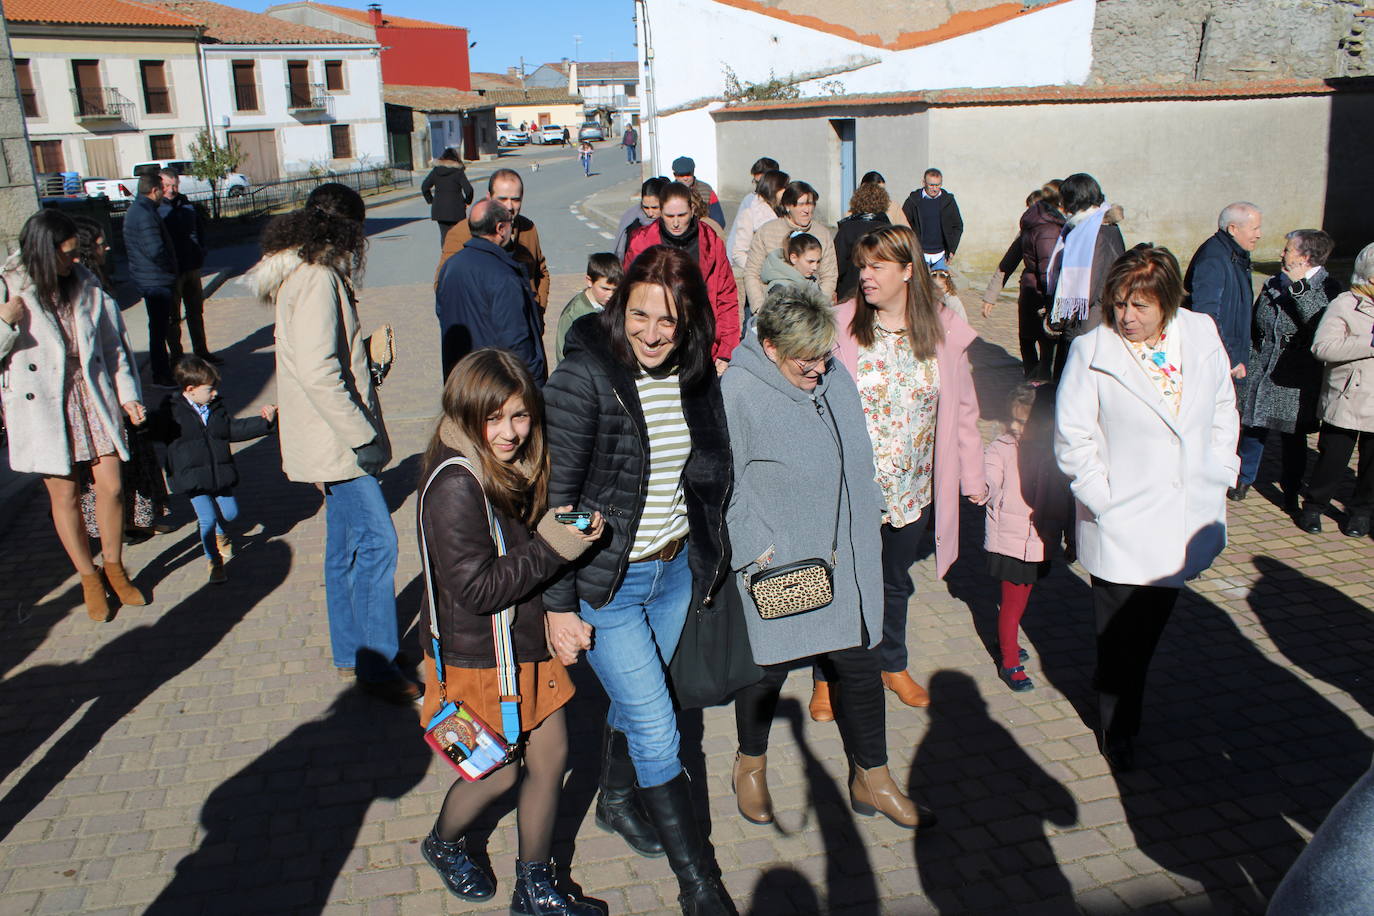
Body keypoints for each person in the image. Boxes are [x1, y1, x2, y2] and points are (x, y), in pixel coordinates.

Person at [543, 246, 734, 914]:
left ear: (689, 327)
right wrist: (558, 605)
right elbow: (556, 498)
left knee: (642, 702)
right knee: (660, 728)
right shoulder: (583, 376)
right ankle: (699, 886)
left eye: (669, 321)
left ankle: (618, 799)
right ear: (620, 305)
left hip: (674, 570)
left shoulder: (691, 371)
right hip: (609, 586)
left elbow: (704, 469)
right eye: (641, 314)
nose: (652, 332)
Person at [724, 283, 935, 831]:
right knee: (766, 672)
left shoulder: (830, 374)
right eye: (806, 360)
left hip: (846, 559)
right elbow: (720, 484)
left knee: (861, 666)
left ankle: (874, 777)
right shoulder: (739, 393)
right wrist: (758, 550)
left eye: (824, 355)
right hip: (783, 564)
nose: (819, 369)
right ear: (769, 346)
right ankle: (750, 764)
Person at [415, 349, 603, 915]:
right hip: (478, 661)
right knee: (498, 774)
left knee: (551, 760)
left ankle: (535, 887)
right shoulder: (454, 483)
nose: (510, 432)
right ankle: (443, 843)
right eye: (494, 418)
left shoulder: (508, 466)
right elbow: (477, 590)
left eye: (520, 416)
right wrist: (555, 546)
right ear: (467, 413)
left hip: (523, 646)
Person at [1055, 245, 1239, 771]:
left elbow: (1223, 405)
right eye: (1119, 304)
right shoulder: (1093, 350)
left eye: (1141, 306)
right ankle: (1119, 729)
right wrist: (1102, 499)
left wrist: (1223, 470)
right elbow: (1073, 436)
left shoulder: (1200, 333)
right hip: (1121, 520)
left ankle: (1117, 688)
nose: (1126, 318)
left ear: (1169, 303)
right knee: (1118, 639)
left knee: (1149, 628)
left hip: (1181, 517)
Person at [249, 182, 418, 704]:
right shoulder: (319, 278)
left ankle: (351, 651)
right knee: (378, 544)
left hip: (324, 436)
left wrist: (364, 360)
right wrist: (361, 435)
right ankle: (378, 664)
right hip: (337, 440)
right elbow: (322, 371)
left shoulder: (304, 275)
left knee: (344, 547)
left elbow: (317, 360)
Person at [827, 225, 987, 718]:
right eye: (862, 265)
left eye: (877, 266)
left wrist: (974, 477)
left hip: (911, 489)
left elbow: (963, 410)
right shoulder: (840, 325)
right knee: (840, 580)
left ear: (907, 271)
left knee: (894, 581)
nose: (865, 275)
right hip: (847, 488)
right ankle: (826, 675)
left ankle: (891, 663)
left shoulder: (941, 331)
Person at [0, 209, 147, 621]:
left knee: (112, 485)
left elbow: (114, 346)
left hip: (91, 394)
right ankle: (88, 577)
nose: (73, 260)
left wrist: (129, 395)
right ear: (45, 253)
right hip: (44, 405)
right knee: (63, 496)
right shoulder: (8, 287)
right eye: (65, 253)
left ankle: (115, 567)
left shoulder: (85, 282)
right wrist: (4, 324)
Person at [71, 216, 171, 542]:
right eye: (101, 243)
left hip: (122, 388)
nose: (107, 247)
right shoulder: (84, 291)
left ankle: (136, 519)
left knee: (134, 460)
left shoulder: (98, 283)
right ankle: (124, 524)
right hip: (106, 392)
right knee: (117, 470)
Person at [1233, 229, 1339, 510]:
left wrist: (1297, 288)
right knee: (1253, 427)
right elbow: (1257, 324)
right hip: (1262, 366)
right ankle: (1244, 478)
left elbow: (1318, 324)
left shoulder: (1329, 288)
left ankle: (1290, 489)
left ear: (1305, 257)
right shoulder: (1272, 283)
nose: (1282, 253)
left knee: (1292, 438)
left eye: (1288, 249)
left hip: (1295, 375)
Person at [148, 356, 276, 584]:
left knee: (230, 513)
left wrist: (265, 422)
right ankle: (214, 562)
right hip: (192, 477)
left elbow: (232, 429)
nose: (215, 393)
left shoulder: (215, 407)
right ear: (191, 390)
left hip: (219, 474)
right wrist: (139, 424)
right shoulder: (171, 411)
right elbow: (153, 429)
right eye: (210, 389)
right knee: (206, 518)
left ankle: (221, 533)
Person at [984, 381, 1070, 692]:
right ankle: (1009, 660)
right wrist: (983, 489)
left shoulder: (1053, 452)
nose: (1019, 428)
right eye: (1015, 420)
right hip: (1009, 543)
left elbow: (1064, 497)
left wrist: (1070, 536)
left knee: (1019, 602)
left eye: (1026, 421)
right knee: (1013, 604)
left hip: (1039, 543)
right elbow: (990, 477)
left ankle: (1005, 638)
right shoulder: (1002, 448)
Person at [623, 180, 740, 371]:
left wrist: (726, 350)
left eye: (681, 215)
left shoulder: (711, 242)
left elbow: (726, 296)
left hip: (702, 342)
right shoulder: (641, 242)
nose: (676, 223)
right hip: (656, 341)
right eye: (669, 216)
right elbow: (628, 296)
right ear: (660, 212)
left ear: (693, 209)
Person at [1303, 242, 1374, 537]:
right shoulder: (1346, 303)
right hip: (1347, 397)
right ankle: (1314, 506)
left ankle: (1361, 514)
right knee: (1332, 460)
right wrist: (1369, 343)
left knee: (1371, 467)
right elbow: (1322, 347)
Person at [435, 199, 546, 384]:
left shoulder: (450, 267)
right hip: (496, 385)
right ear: (501, 228)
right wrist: (534, 384)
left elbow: (442, 313)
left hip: (461, 380)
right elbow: (516, 341)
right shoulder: (504, 274)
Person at [1044, 173, 1126, 380]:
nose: (1062, 206)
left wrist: (1062, 319)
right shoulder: (1089, 226)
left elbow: (1091, 280)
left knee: (1077, 377)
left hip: (1089, 317)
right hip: (1088, 315)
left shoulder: (1098, 230)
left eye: (1065, 200)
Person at [981, 181, 1066, 377]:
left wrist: (991, 295)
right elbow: (1045, 270)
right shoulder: (1050, 230)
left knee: (1028, 342)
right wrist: (1053, 301)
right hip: (1042, 295)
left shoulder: (1031, 227)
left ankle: (1031, 384)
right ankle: (1039, 391)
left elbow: (1007, 263)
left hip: (1029, 291)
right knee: (1046, 348)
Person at [437, 169, 550, 313]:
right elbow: (444, 285)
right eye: (502, 199)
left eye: (515, 200)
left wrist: (538, 309)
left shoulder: (528, 228)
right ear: (489, 197)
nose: (509, 207)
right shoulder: (461, 233)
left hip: (526, 326)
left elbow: (541, 272)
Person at [1185, 201, 1263, 382]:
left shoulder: (1236, 255)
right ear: (1233, 229)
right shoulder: (1214, 259)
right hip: (1221, 362)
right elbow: (1206, 315)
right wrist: (1232, 358)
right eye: (1254, 229)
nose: (1259, 235)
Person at [745, 180, 838, 314]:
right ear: (788, 205)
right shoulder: (767, 231)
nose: (807, 210)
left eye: (810, 204)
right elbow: (752, 272)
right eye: (801, 204)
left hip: (810, 311)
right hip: (771, 309)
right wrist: (760, 308)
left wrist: (818, 308)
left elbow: (829, 275)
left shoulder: (822, 234)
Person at [124, 172, 178, 386]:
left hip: (150, 278)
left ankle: (162, 370)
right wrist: (169, 271)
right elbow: (155, 250)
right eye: (161, 190)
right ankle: (161, 374)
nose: (163, 194)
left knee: (158, 327)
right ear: (154, 190)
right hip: (155, 281)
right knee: (159, 329)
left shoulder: (138, 210)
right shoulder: (144, 214)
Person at [159, 169, 215, 364]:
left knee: (196, 312)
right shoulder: (157, 208)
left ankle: (201, 351)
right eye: (167, 185)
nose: (171, 190)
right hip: (172, 271)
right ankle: (176, 355)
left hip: (192, 266)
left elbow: (198, 228)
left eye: (174, 185)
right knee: (173, 317)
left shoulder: (186, 203)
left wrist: (201, 248)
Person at [555, 252, 622, 361]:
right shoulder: (573, 314)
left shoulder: (617, 305)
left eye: (615, 290)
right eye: (605, 289)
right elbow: (563, 355)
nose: (611, 295)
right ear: (589, 281)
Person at [834, 179, 892, 302]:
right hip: (879, 291)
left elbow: (838, 264)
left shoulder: (847, 229)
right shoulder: (888, 230)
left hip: (849, 293)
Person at [900, 168, 964, 271]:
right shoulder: (913, 201)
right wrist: (910, 248)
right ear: (924, 183)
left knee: (941, 286)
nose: (934, 189)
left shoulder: (948, 201)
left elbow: (958, 226)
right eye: (931, 185)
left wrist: (952, 249)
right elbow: (903, 225)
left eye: (937, 185)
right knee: (919, 286)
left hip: (941, 256)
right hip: (919, 255)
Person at [725, 159, 782, 269]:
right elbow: (736, 236)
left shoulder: (786, 202)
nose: (759, 188)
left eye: (761, 183)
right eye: (756, 182)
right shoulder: (750, 200)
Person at [421, 147, 475, 248]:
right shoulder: (458, 172)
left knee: (444, 236)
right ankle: (457, 258)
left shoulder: (436, 171)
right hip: (457, 210)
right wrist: (467, 201)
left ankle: (446, 258)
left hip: (440, 209)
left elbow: (424, 187)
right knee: (459, 236)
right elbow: (469, 190)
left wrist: (431, 201)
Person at [614, 176, 668, 260]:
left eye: (655, 208)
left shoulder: (673, 222)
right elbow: (621, 253)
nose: (650, 213)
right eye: (646, 207)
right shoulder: (631, 220)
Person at [670, 156, 725, 225]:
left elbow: (718, 220)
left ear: (693, 172)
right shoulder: (668, 192)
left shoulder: (706, 190)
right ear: (675, 175)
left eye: (688, 174)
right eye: (681, 175)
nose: (685, 178)